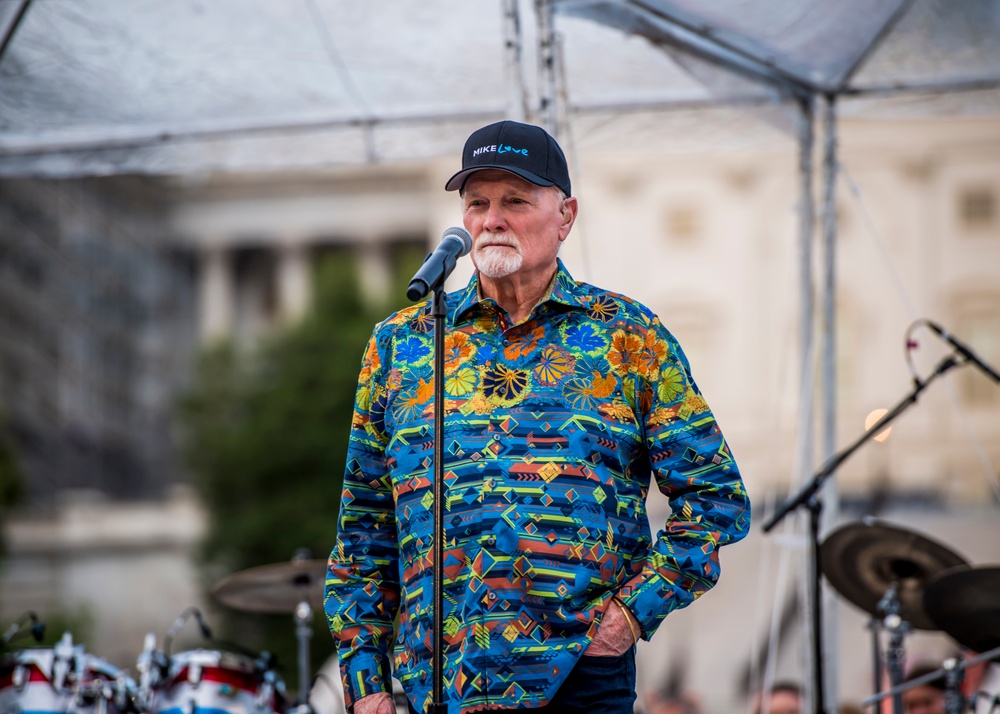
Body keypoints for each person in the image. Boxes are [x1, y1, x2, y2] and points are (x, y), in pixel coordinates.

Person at [324, 119, 751, 714]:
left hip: (578, 676)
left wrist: (630, 614)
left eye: (515, 201)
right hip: (437, 686)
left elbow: (715, 498)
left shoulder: (627, 336)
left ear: (566, 216)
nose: (491, 218)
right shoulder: (402, 344)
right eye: (477, 202)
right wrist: (365, 681)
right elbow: (364, 526)